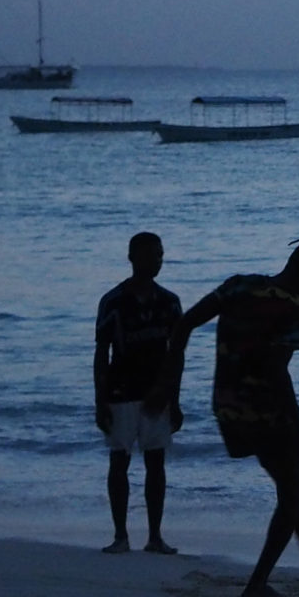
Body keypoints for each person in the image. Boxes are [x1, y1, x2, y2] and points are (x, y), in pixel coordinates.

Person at [179, 237, 299, 597]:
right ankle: (257, 584)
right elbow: (276, 371)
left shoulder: (241, 285)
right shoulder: (297, 311)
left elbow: (185, 325)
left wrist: (168, 390)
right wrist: (295, 419)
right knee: (293, 488)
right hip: (265, 411)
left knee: (290, 482)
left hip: (226, 405)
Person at [94, 231, 183, 555]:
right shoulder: (113, 301)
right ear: (132, 258)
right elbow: (101, 352)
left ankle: (155, 537)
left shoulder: (170, 302)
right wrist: (99, 400)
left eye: (159, 255)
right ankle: (120, 536)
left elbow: (176, 354)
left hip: (155, 393)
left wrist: (174, 398)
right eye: (149, 255)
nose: (155, 261)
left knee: (156, 462)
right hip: (121, 391)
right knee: (119, 460)